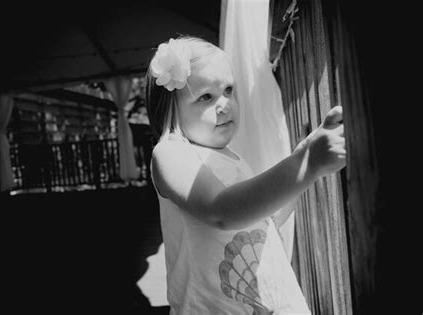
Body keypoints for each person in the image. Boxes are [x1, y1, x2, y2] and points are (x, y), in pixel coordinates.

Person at [145, 36, 345, 315]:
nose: (224, 104)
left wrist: (305, 166)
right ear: (170, 107)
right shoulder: (170, 154)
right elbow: (222, 211)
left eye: (228, 90)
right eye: (206, 97)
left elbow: (265, 218)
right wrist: (305, 163)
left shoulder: (232, 156)